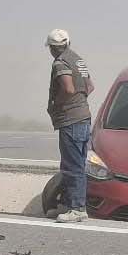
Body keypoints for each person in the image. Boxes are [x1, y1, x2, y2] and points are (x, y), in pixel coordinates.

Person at [46, 29, 94, 223]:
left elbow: (68, 88)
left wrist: (59, 104)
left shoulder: (60, 63)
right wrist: (79, 102)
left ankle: (77, 208)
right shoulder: (78, 59)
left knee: (72, 165)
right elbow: (89, 86)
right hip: (83, 117)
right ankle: (68, 204)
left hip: (70, 120)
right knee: (74, 163)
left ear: (52, 48)